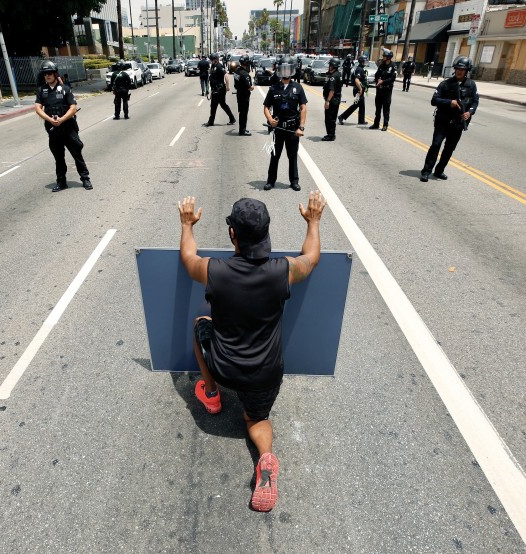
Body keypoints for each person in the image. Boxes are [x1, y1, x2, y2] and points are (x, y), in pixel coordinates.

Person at [177, 190, 327, 512]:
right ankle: (265, 458)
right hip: (266, 373)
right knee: (256, 418)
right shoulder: (282, 271)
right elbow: (311, 258)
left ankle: (212, 394)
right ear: (267, 233)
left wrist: (187, 225)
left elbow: (188, 259)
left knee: (201, 323)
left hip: (224, 366)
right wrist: (313, 222)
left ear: (233, 233)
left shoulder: (214, 270)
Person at [34, 60, 93, 192]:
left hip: (68, 129)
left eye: (49, 73)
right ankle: (61, 182)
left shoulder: (65, 89)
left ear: (55, 74)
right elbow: (38, 108)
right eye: (45, 74)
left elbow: (73, 108)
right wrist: (50, 119)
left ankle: (85, 179)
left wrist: (61, 119)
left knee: (77, 154)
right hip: (53, 130)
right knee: (59, 158)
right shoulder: (42, 91)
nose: (47, 76)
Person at [419, 56, 479, 183]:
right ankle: (426, 171)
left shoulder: (471, 85)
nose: (459, 71)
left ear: (467, 70)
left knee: (449, 149)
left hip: (458, 123)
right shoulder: (445, 84)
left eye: (462, 69)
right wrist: (449, 102)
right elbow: (434, 100)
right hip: (443, 121)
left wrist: (470, 112)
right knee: (436, 145)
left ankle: (439, 170)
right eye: (457, 68)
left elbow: (475, 101)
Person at [263, 57, 308, 192]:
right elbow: (266, 107)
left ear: (292, 70)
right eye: (283, 69)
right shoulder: (274, 88)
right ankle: (271, 181)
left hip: (292, 129)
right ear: (280, 70)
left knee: (292, 156)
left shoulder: (298, 87)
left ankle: (294, 181)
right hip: (277, 129)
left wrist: (301, 127)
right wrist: (270, 119)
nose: (286, 71)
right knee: (274, 156)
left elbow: (303, 108)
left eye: (288, 69)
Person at [204, 53, 235, 127]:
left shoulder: (219, 66)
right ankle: (232, 118)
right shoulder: (213, 66)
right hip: (215, 89)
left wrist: (227, 86)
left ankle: (211, 122)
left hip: (219, 89)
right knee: (222, 105)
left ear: (215, 59)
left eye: (212, 60)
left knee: (214, 105)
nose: (211, 61)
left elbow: (226, 75)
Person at [369, 49, 396, 131]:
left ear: (389, 57)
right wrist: (377, 80)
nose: (383, 57)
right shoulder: (381, 65)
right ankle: (376, 124)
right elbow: (377, 74)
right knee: (378, 108)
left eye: (385, 56)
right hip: (379, 90)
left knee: (386, 109)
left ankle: (385, 125)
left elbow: (392, 78)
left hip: (387, 91)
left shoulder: (393, 66)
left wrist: (383, 81)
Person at [338, 55, 368, 125]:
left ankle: (361, 120)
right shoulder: (359, 69)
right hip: (358, 90)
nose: (366, 62)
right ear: (361, 62)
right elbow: (357, 80)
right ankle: (342, 116)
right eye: (365, 61)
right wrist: (360, 89)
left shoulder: (360, 68)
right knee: (355, 105)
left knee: (361, 106)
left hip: (359, 89)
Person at [321, 58, 343, 142]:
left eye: (330, 65)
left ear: (333, 66)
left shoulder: (333, 76)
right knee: (332, 118)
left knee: (329, 118)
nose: (328, 67)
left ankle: (331, 135)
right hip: (335, 99)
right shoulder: (337, 74)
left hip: (332, 100)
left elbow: (332, 90)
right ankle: (331, 134)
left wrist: (327, 101)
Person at [234, 55, 254, 136]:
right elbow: (249, 87)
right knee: (244, 113)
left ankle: (241, 129)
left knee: (241, 112)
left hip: (239, 93)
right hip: (244, 95)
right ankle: (242, 130)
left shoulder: (236, 71)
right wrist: (252, 87)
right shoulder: (245, 74)